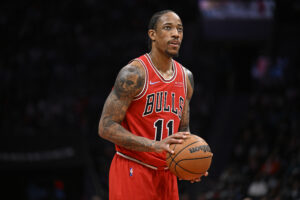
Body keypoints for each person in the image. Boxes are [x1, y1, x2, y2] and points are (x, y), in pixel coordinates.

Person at [98, 10, 208, 200]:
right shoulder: (133, 73)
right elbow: (105, 127)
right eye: (168, 28)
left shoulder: (186, 77)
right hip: (133, 167)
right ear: (152, 35)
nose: (176, 34)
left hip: (167, 174)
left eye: (180, 29)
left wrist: (191, 160)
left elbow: (183, 129)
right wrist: (153, 145)